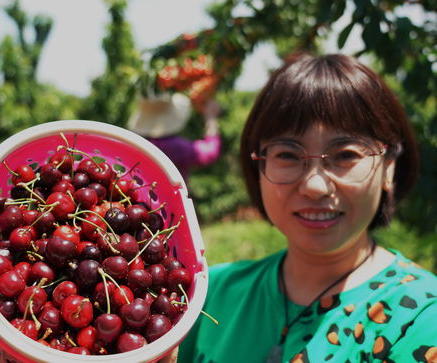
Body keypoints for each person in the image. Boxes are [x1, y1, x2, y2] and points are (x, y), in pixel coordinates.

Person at [175, 53, 437, 363]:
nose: (315, 186)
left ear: (389, 168)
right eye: (287, 154)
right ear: (258, 164)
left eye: (345, 154)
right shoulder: (208, 296)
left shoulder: (420, 317)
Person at [127, 92, 221, 183]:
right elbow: (209, 152)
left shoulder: (135, 145)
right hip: (170, 198)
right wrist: (211, 118)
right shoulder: (175, 147)